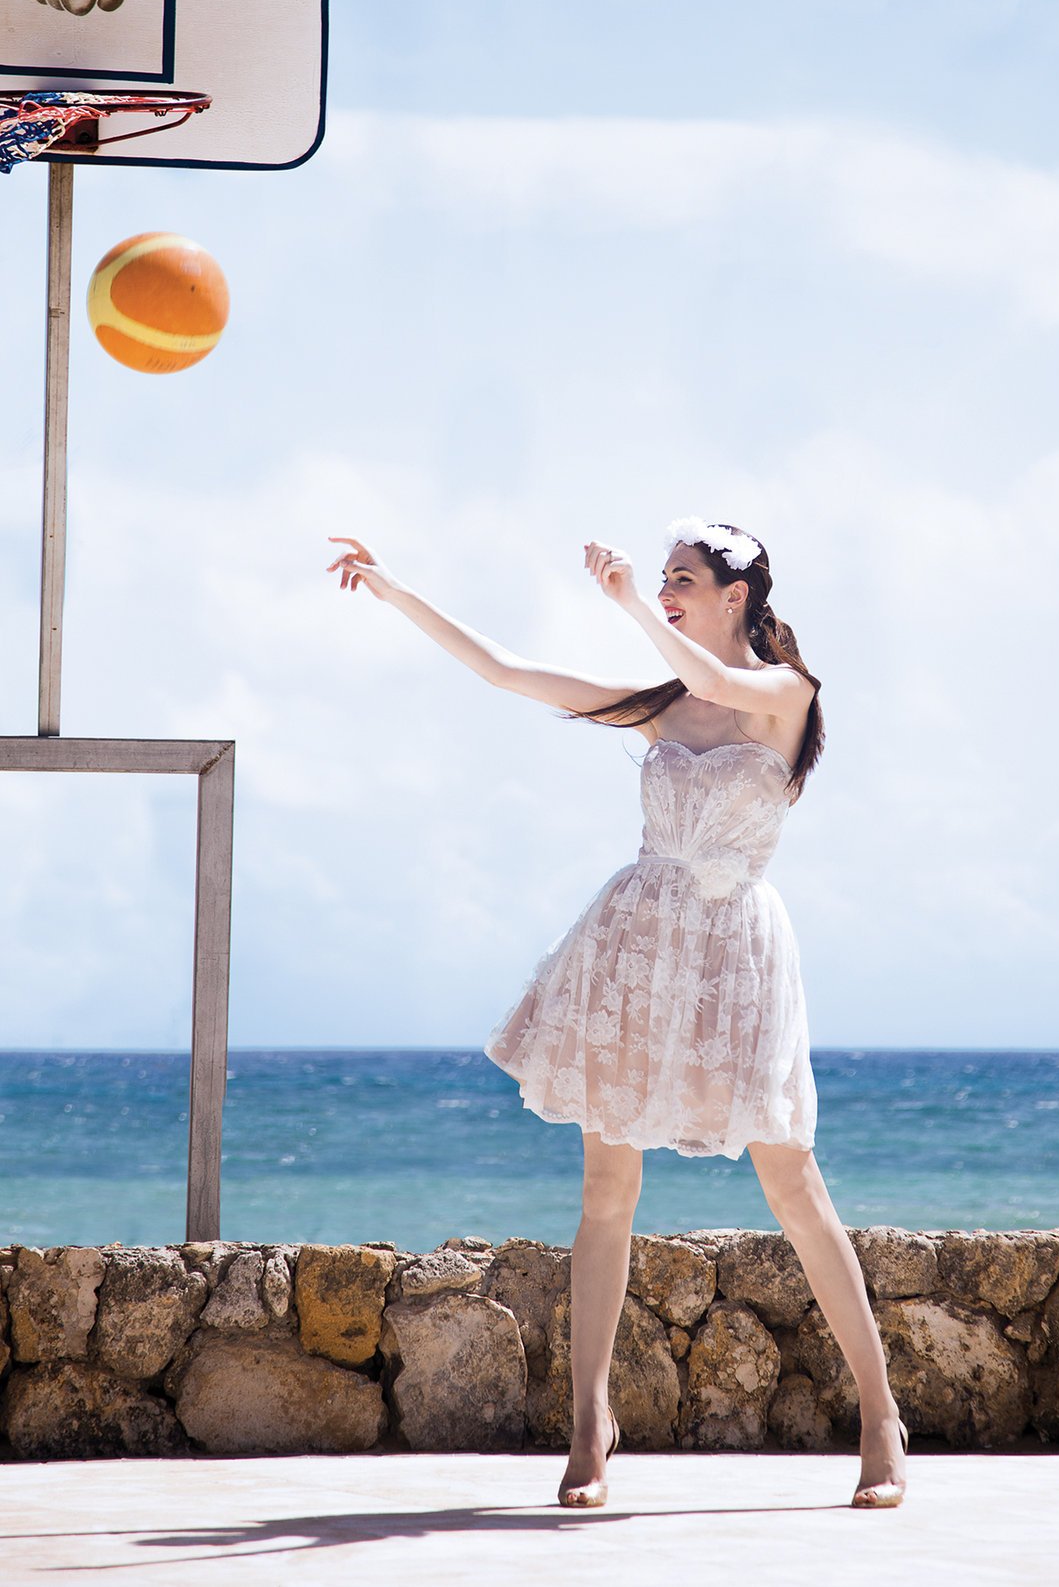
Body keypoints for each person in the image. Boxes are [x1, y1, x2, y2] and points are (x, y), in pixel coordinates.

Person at [326, 516, 909, 1512]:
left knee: (792, 1180)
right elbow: (508, 670)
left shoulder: (782, 696)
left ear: (737, 596)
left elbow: (725, 685)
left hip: (735, 956)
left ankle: (879, 1415)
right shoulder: (659, 707)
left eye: (686, 579)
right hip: (636, 948)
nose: (669, 589)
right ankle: (590, 1423)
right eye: (663, 579)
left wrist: (631, 600)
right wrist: (395, 592)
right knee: (605, 1186)